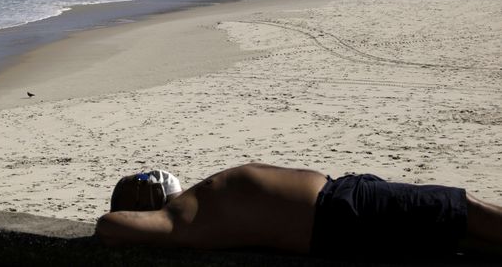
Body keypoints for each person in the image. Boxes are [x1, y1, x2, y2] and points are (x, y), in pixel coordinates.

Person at [95, 163, 502, 259]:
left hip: (344, 201)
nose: (148, 175)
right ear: (140, 204)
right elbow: (108, 225)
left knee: (461, 234)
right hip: (340, 212)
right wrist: (146, 203)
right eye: (140, 180)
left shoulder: (190, 208)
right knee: (460, 209)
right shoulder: (177, 219)